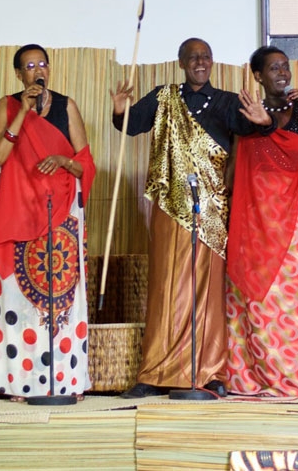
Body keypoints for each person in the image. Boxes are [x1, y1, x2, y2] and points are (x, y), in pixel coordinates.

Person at [110, 37, 275, 398]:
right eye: (193, 57)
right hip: (170, 204)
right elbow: (132, 126)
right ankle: (155, 371)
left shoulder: (229, 102)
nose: (200, 62)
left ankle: (211, 372)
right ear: (182, 62)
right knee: (166, 286)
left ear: (212, 62)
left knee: (209, 291)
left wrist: (264, 123)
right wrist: (121, 111)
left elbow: (254, 129)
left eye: (206, 56)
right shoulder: (163, 97)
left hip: (213, 209)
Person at [0, 44, 96, 401]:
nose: (37, 70)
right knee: (19, 300)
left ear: (49, 69)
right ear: (19, 74)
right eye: (29, 66)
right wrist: (22, 113)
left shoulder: (67, 105)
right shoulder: (8, 106)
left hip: (61, 216)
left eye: (42, 64)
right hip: (17, 210)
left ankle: (67, 379)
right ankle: (19, 383)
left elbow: (85, 164)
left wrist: (63, 159)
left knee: (62, 302)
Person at [226, 46, 298, 396]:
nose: (282, 73)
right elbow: (235, 166)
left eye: (285, 67)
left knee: (297, 297)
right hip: (257, 212)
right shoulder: (245, 113)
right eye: (274, 68)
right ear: (258, 75)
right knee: (257, 295)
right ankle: (256, 376)